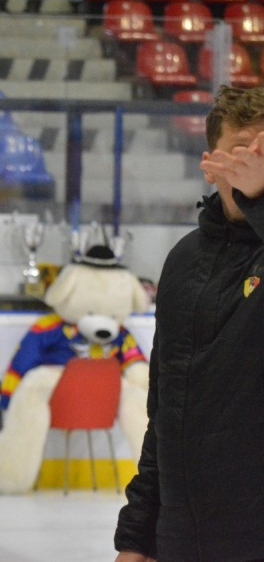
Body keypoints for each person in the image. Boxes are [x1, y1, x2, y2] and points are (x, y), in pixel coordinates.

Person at [114, 85, 264, 561]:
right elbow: (166, 407)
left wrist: (259, 199)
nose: (253, 164)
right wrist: (137, 535)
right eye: (241, 150)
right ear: (210, 164)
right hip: (184, 538)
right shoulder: (184, 259)